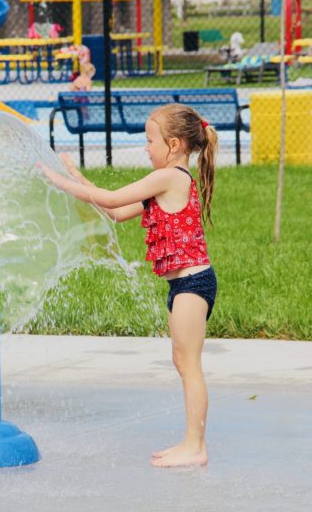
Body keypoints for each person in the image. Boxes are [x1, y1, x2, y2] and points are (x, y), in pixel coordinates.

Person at [39, 104, 218, 468]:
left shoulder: (170, 177)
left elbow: (111, 198)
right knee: (182, 362)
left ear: (174, 144)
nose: (145, 147)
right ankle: (190, 441)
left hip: (193, 283)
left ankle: (195, 445)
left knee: (190, 364)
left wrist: (59, 181)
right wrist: (77, 176)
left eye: (149, 140)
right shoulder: (168, 180)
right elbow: (116, 212)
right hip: (182, 285)